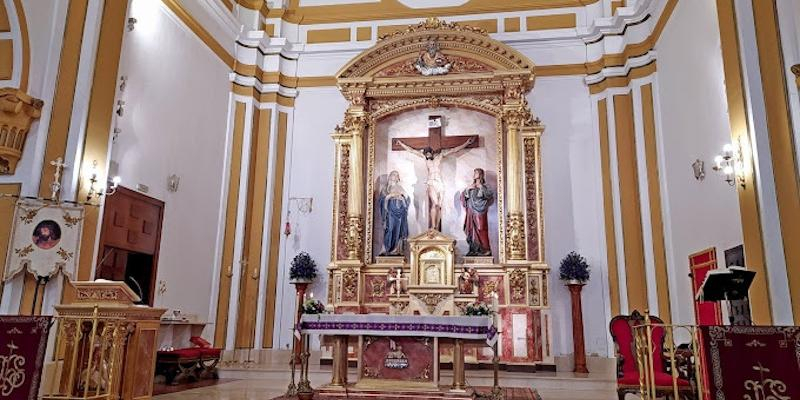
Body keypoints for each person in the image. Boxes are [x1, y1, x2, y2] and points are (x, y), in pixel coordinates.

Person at [397, 137, 473, 231]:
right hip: (431, 182)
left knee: (440, 206)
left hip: (440, 182)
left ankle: (437, 227)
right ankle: (433, 226)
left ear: (431, 152)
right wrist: (401, 144)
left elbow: (454, 150)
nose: (427, 156)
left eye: (428, 154)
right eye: (426, 155)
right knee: (435, 204)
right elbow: (411, 150)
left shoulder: (440, 156)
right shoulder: (425, 158)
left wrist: (466, 143)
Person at [461, 168, 493, 256]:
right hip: (471, 211)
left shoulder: (485, 186)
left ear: (480, 174)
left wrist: (481, 188)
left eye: (476, 173)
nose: (474, 174)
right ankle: (473, 249)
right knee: (471, 229)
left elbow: (489, 195)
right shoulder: (471, 186)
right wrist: (467, 189)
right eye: (474, 173)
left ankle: (485, 249)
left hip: (480, 212)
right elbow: (463, 197)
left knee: (481, 228)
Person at [379, 170, 410, 256]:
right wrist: (389, 196)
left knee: (398, 230)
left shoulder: (400, 188)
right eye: (393, 175)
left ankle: (396, 249)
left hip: (400, 214)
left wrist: (403, 197)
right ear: (390, 177)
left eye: (397, 175)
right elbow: (381, 200)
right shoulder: (385, 188)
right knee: (390, 229)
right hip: (390, 213)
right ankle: (386, 248)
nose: (395, 177)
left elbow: (407, 199)